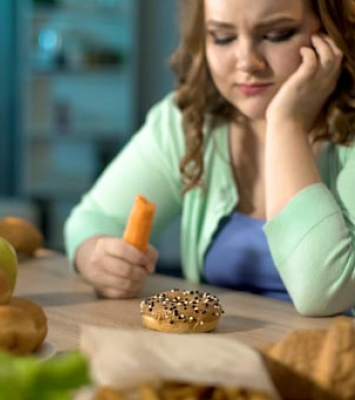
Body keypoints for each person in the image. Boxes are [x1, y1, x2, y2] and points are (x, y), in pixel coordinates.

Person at [64, 0, 355, 316]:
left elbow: (323, 293)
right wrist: (94, 255)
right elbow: (92, 218)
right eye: (223, 37)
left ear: (330, 30)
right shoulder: (190, 121)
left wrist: (286, 123)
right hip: (223, 358)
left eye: (276, 34)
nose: (247, 62)